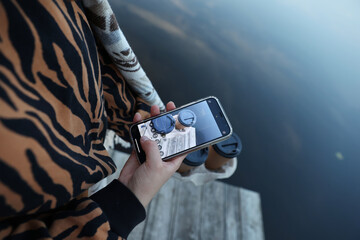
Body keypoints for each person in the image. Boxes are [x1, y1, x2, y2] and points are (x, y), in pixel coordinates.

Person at [0, 0, 185, 239]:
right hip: (83, 203)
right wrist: (127, 201)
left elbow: (95, 62)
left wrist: (133, 111)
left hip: (93, 175)